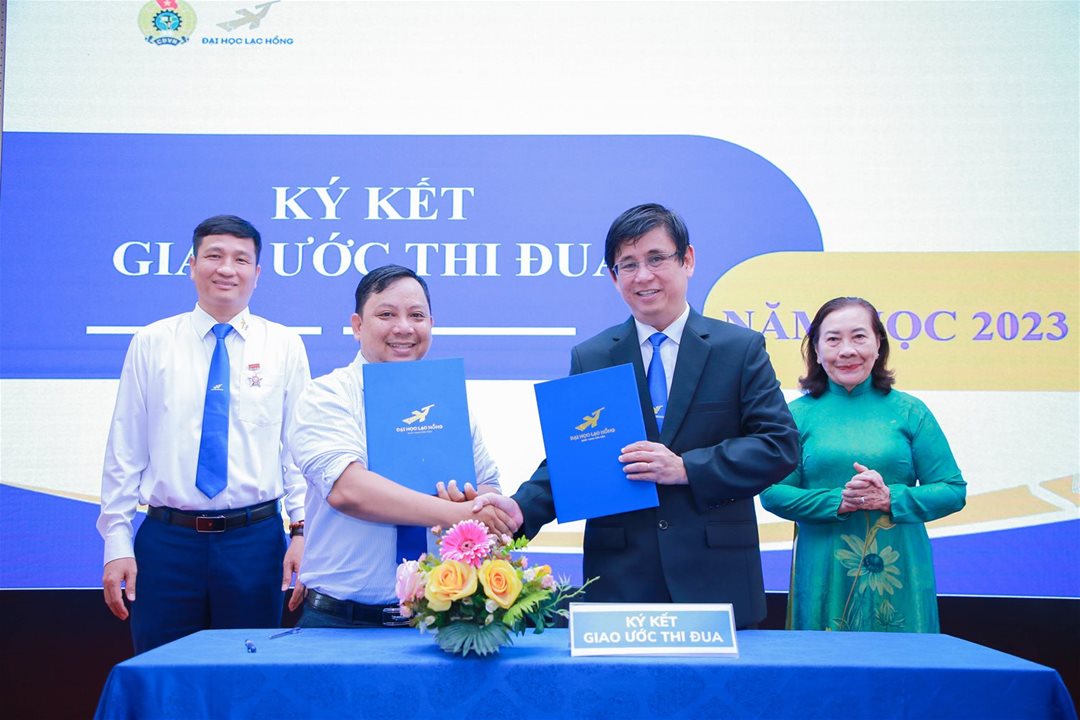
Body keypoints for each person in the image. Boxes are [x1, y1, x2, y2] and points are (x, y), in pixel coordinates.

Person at [468, 203, 799, 629]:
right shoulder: (592, 356)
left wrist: (686, 468)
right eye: (628, 264)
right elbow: (575, 458)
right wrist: (520, 509)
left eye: (656, 258)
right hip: (621, 579)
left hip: (716, 579)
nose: (643, 276)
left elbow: (778, 446)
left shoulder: (739, 349)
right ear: (614, 276)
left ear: (687, 260)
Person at [97, 214, 310, 653]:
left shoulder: (285, 345)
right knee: (163, 671)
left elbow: (298, 450)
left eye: (241, 259)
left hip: (254, 543)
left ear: (257, 273)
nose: (227, 269)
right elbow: (125, 448)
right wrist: (116, 542)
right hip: (167, 543)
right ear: (192, 266)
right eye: (214, 256)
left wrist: (302, 531)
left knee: (248, 674)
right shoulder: (151, 342)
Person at [286, 264, 512, 628]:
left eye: (417, 316)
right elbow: (348, 490)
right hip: (341, 623)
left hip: (438, 622)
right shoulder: (326, 395)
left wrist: (477, 502)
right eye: (387, 314)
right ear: (357, 325)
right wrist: (456, 513)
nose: (404, 327)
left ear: (431, 324)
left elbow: (488, 489)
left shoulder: (447, 399)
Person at [760, 297, 966, 632]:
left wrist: (889, 498)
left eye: (859, 337)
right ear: (816, 350)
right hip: (824, 568)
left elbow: (953, 491)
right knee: (824, 661)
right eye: (833, 339)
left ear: (878, 344)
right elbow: (772, 493)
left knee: (901, 660)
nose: (847, 350)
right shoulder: (795, 415)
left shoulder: (910, 411)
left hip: (900, 567)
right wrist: (839, 501)